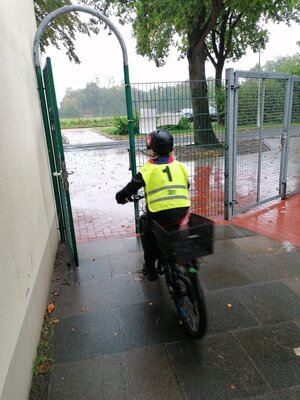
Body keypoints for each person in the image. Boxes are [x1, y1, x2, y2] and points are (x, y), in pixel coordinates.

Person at [115, 130, 190, 281]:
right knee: (181, 227)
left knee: (149, 237)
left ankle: (150, 268)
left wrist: (120, 197)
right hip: (182, 212)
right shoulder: (180, 166)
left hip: (158, 215)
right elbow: (186, 185)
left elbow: (131, 188)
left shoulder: (148, 169)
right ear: (171, 148)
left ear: (153, 150)